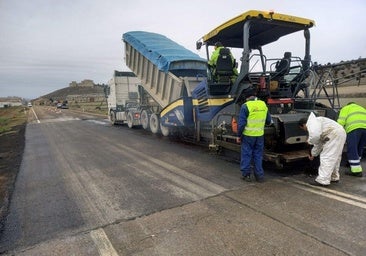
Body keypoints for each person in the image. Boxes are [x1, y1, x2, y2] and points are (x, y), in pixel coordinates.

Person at [298, 112, 347, 186]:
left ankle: (323, 180)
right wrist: (313, 154)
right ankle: (334, 176)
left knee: (327, 157)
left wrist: (309, 141)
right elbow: (319, 143)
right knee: (335, 157)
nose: (305, 130)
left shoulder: (311, 123)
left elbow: (315, 137)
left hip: (333, 134)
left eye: (303, 128)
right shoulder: (318, 123)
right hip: (339, 133)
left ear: (304, 124)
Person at [237, 88, 272, 182]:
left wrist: (238, 136)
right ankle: (259, 176)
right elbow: (269, 121)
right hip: (259, 135)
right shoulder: (263, 104)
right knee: (258, 155)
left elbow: (241, 124)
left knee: (247, 154)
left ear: (247, 97)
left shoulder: (245, 106)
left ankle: (246, 175)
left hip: (248, 136)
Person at [337, 102, 366, 177]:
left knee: (352, 149)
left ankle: (356, 171)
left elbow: (340, 122)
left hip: (354, 129)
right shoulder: (362, 108)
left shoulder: (346, 108)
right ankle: (354, 165)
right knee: (359, 148)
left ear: (348, 105)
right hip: (365, 129)